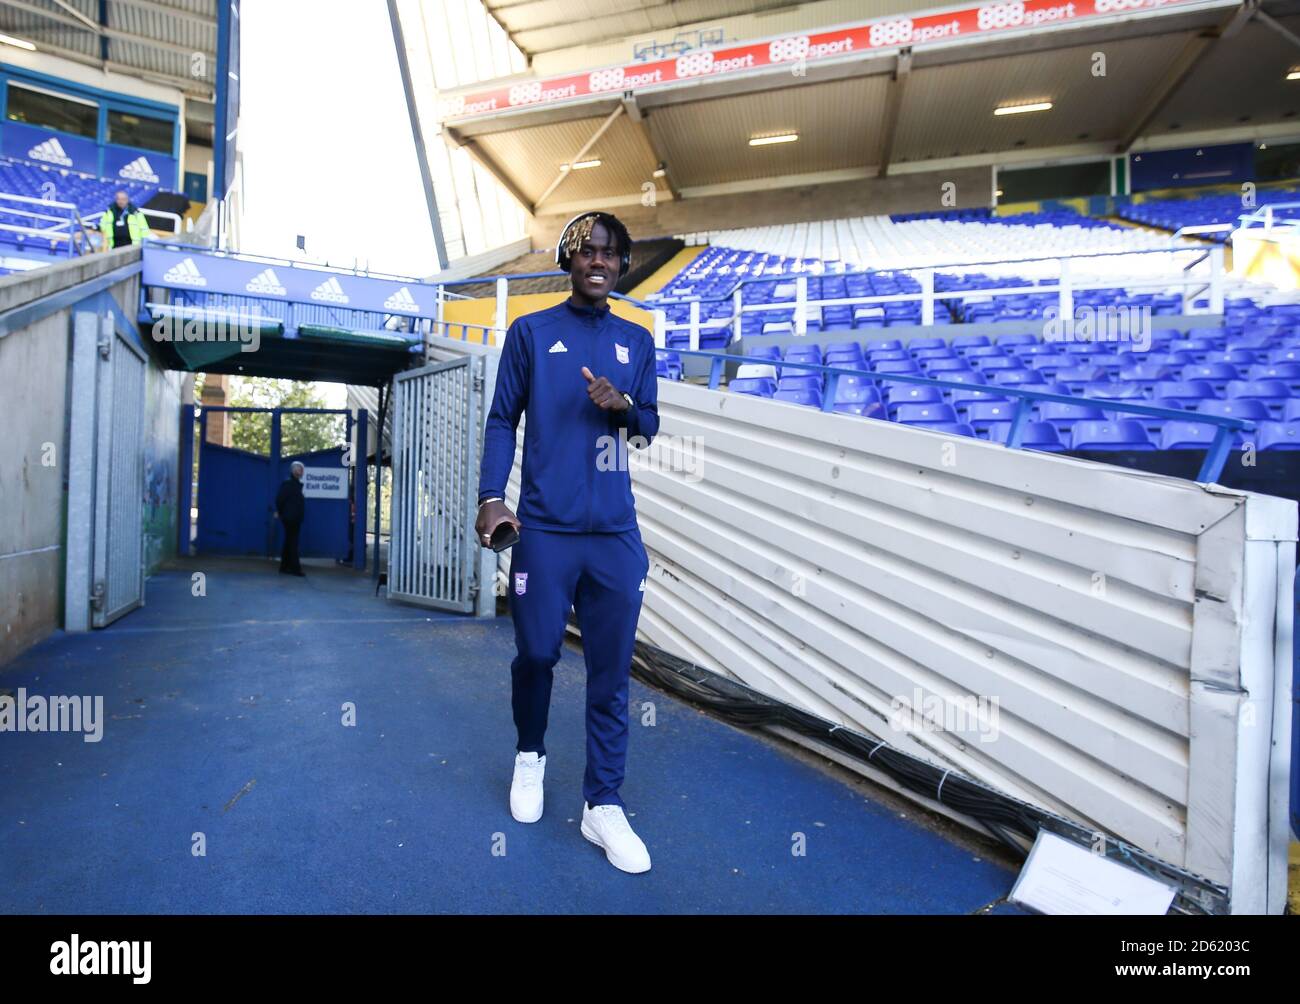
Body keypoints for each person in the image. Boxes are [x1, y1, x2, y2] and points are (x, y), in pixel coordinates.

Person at [475, 211, 659, 874]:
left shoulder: (637, 342)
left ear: (622, 264)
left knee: (610, 676)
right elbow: (502, 419)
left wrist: (625, 408)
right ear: (568, 260)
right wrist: (490, 495)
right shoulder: (530, 333)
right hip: (546, 531)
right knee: (537, 654)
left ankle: (601, 803)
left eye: (610, 253)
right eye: (586, 252)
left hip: (614, 536)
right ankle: (531, 753)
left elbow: (649, 429)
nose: (598, 262)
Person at [275, 462, 306, 577]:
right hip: (291, 518)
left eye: (302, 470)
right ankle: (295, 568)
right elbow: (279, 500)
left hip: (292, 518)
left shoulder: (296, 484)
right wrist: (283, 513)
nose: (302, 471)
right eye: (300, 469)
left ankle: (284, 567)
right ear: (294, 471)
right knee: (293, 543)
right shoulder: (289, 484)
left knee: (289, 542)